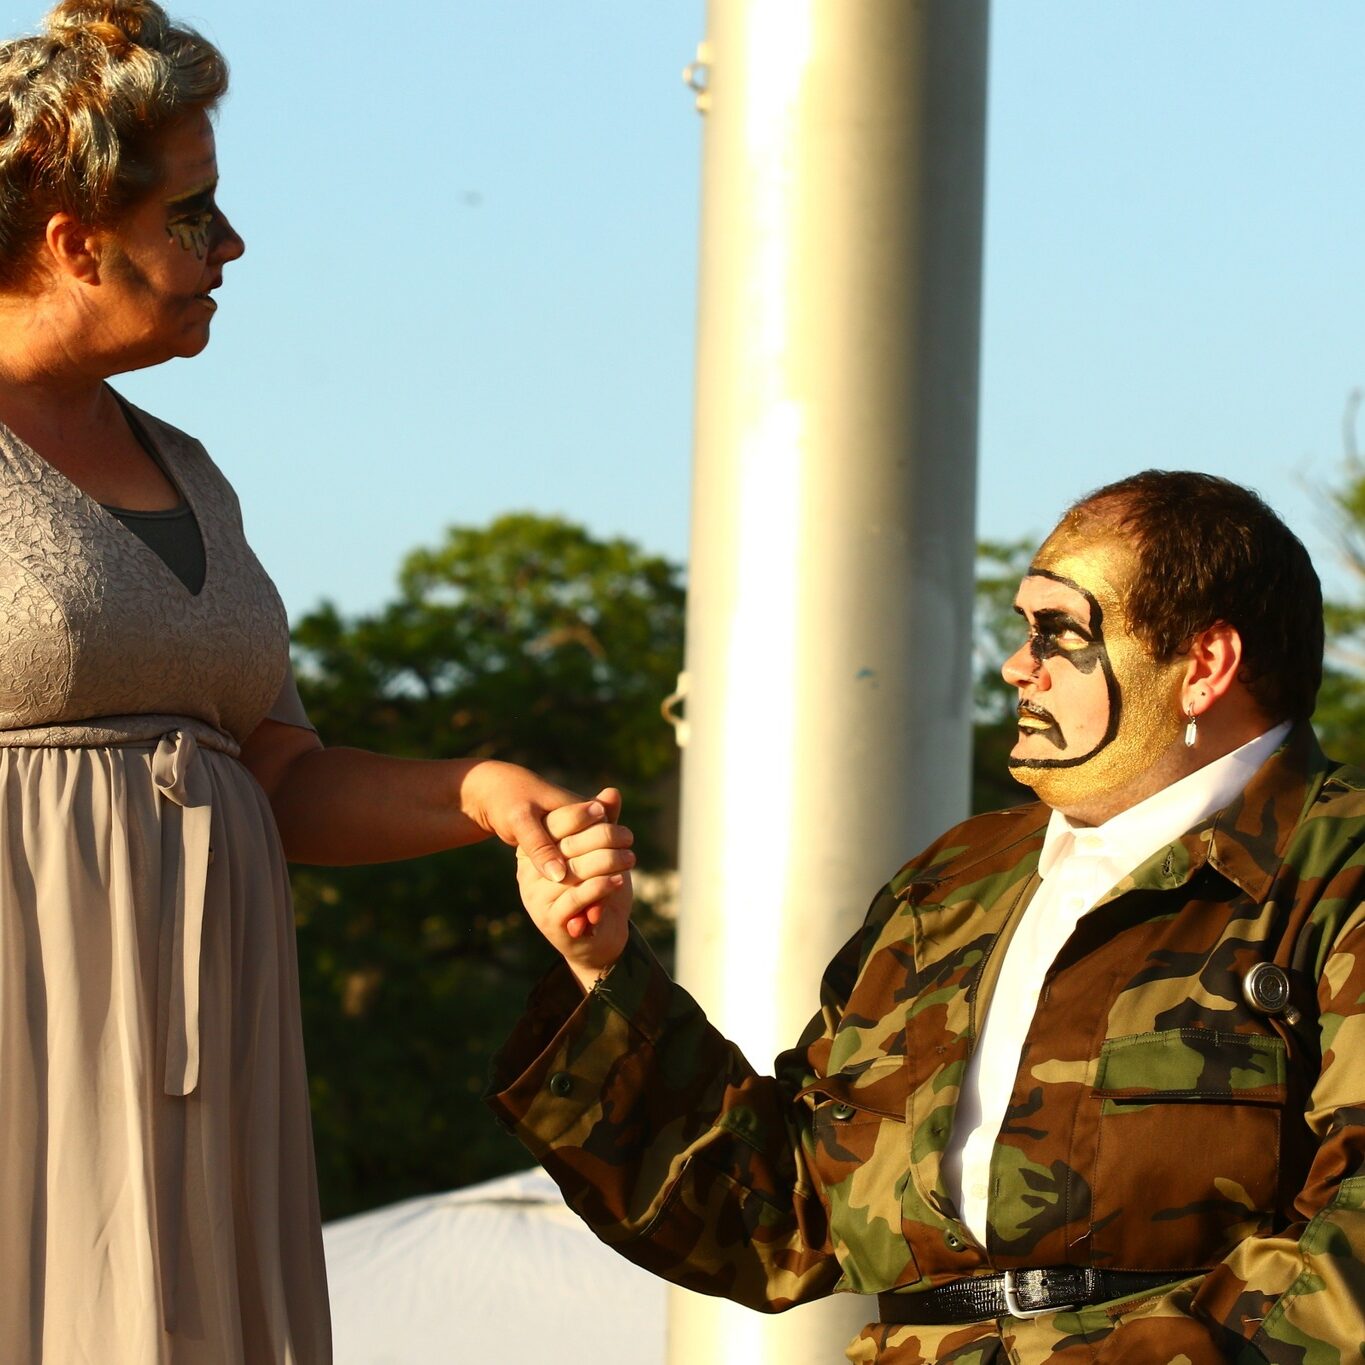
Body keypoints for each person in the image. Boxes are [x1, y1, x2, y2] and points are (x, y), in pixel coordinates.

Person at [0, 3, 620, 1361]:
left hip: (206, 1064)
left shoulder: (191, 473)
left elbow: (273, 772)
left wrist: (477, 795)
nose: (230, 246)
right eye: (193, 215)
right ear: (76, 239)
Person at [494, 470, 1365, 1364]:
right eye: (1024, 629)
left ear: (1204, 666)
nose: (1017, 665)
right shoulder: (955, 882)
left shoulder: (1338, 867)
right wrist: (601, 967)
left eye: (1060, 632)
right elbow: (781, 1212)